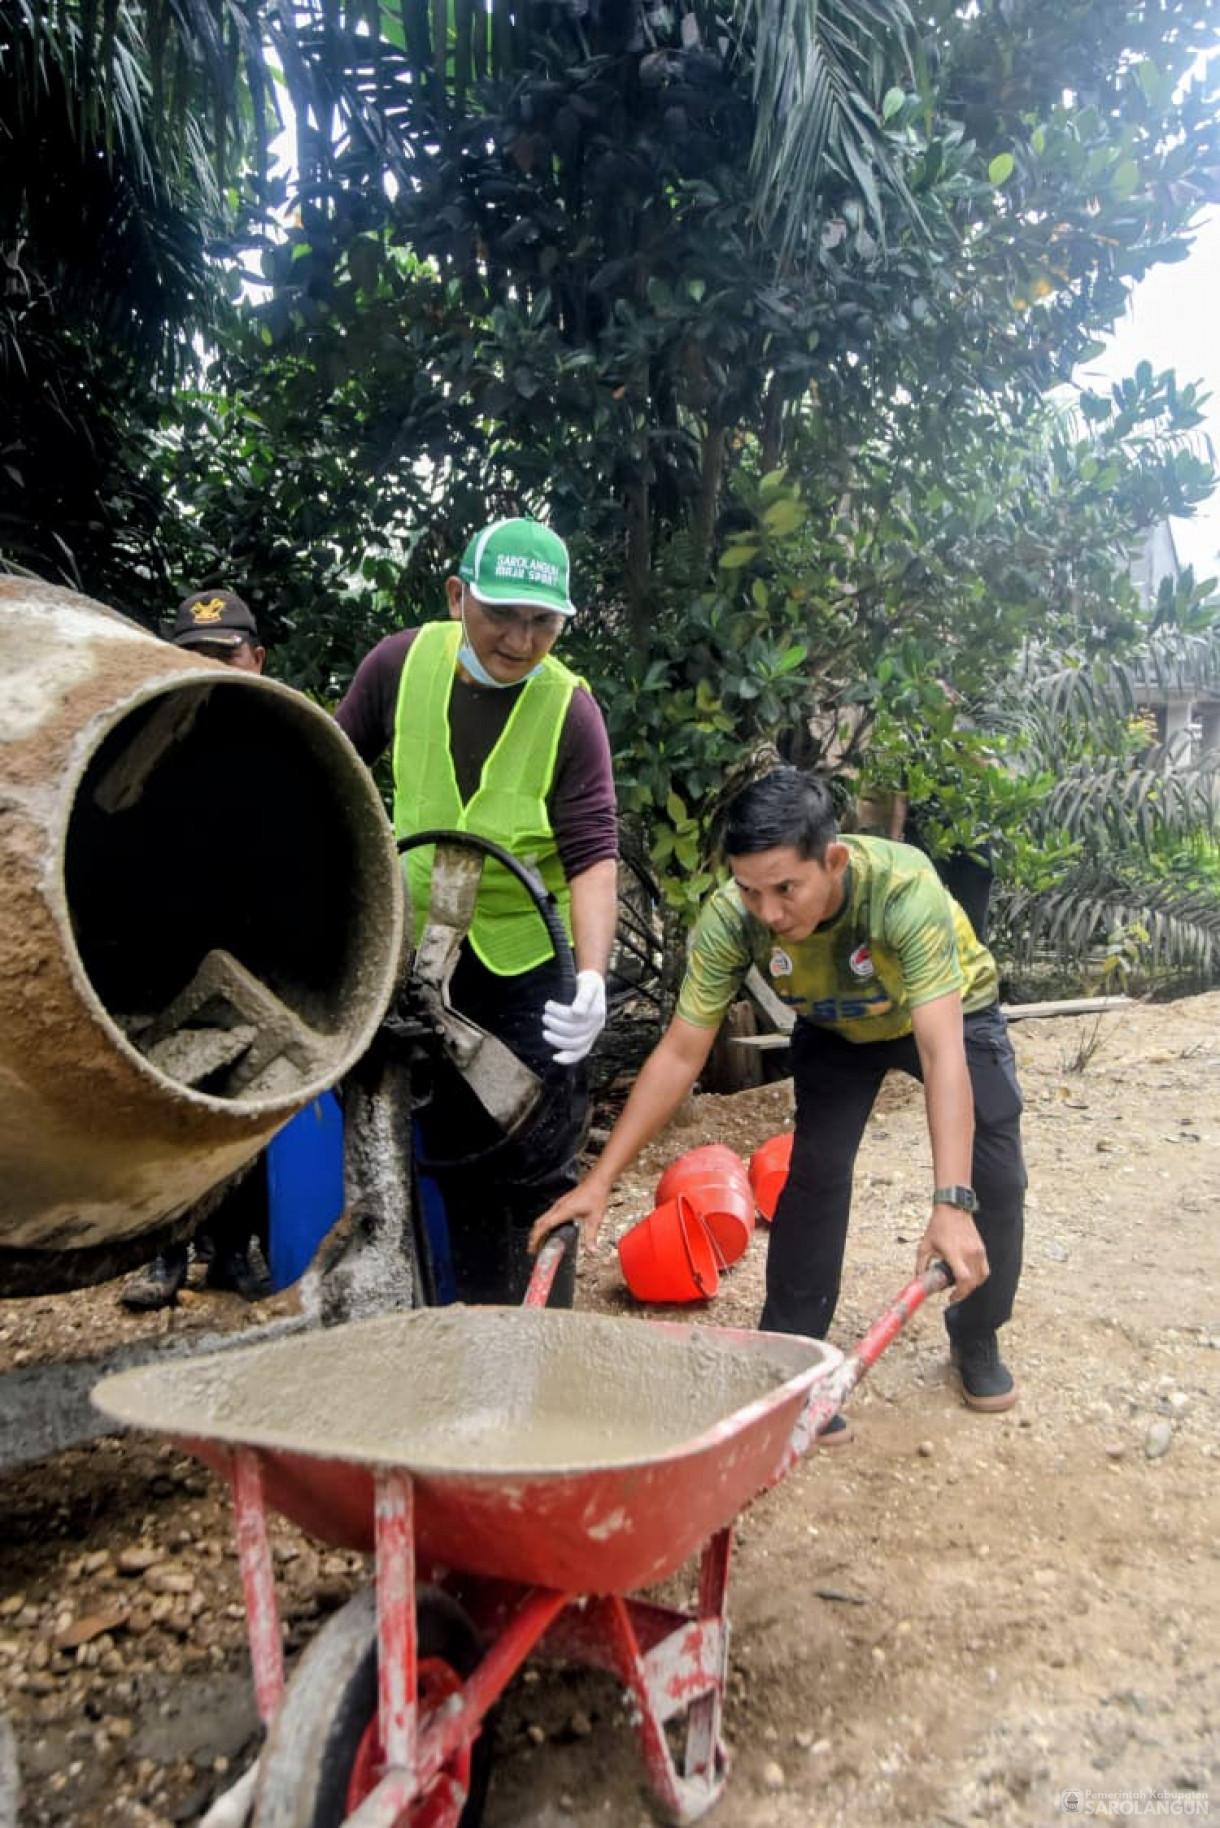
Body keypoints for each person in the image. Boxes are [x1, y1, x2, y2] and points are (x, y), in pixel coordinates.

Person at [530, 766, 1026, 1429]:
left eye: (786, 889)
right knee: (814, 1175)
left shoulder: (903, 893)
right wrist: (600, 1179)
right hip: (833, 1026)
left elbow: (943, 1054)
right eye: (750, 890)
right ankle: (791, 1360)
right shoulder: (732, 919)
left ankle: (976, 1329)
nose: (768, 912)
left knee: (995, 1179)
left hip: (944, 1014)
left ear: (835, 860)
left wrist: (950, 1201)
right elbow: (681, 1052)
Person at [335, 518, 618, 1307]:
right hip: (424, 959)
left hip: (524, 961)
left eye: (543, 622)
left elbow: (594, 852)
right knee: (455, 1153)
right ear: (458, 596)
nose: (521, 642)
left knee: (534, 1160)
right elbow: (332, 766)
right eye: (502, 615)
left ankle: (537, 1348)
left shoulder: (571, 711)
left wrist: (591, 978)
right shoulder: (401, 664)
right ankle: (475, 1340)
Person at [120, 588, 272, 1310]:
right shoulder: (145, 733)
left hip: (255, 944)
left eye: (224, 654)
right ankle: (166, 1253)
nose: (208, 668)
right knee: (172, 1099)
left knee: (246, 1101)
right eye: (190, 656)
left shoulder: (282, 737)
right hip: (164, 942)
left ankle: (237, 1250)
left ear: (256, 658)